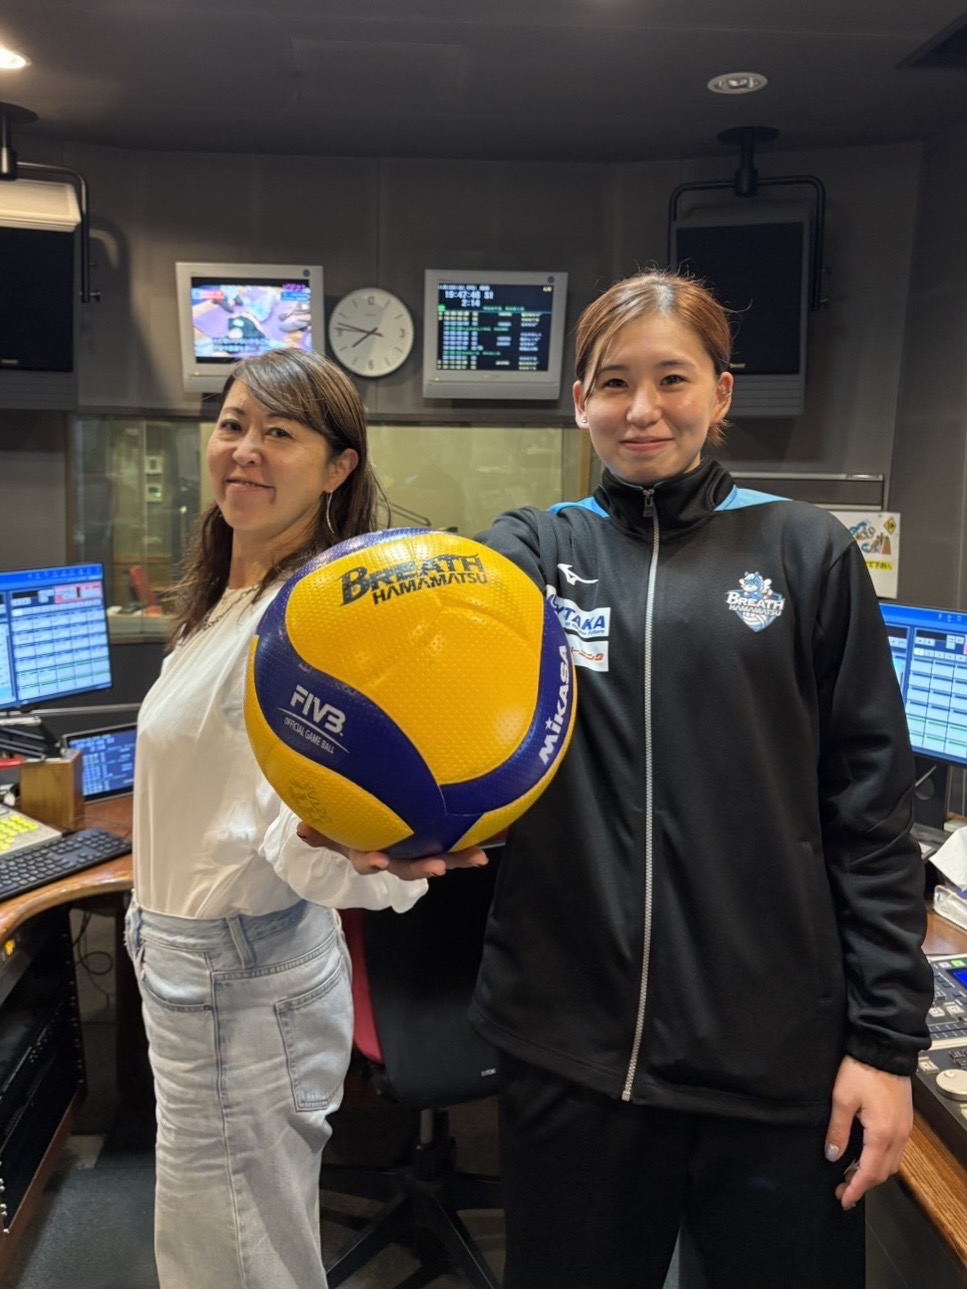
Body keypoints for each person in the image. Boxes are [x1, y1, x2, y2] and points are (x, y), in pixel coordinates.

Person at [464, 269, 933, 1288]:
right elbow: (434, 666)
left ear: (720, 393)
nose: (641, 408)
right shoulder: (535, 549)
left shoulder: (805, 550)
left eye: (671, 378)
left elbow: (870, 819)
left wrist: (884, 1046)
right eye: (612, 382)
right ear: (578, 401)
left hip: (771, 1060)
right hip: (573, 1056)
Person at [125, 348, 480, 1289]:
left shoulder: (313, 624)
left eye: (279, 432)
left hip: (236, 979)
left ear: (337, 468)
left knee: (236, 1261)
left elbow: (300, 831)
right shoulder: (229, 596)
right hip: (198, 968)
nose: (245, 448)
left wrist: (368, 852)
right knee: (220, 1246)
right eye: (233, 424)